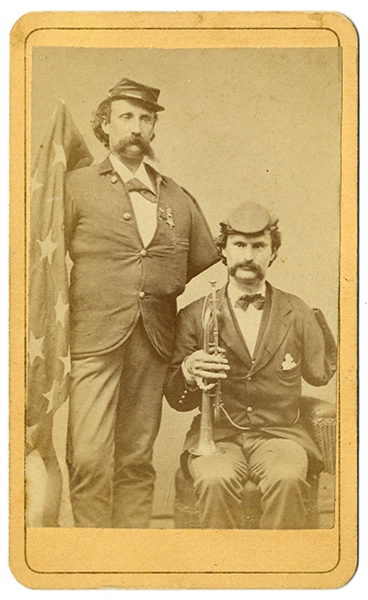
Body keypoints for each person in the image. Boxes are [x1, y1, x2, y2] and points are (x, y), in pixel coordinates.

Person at [64, 78, 219, 528]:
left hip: (153, 338)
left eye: (145, 118)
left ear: (153, 129)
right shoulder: (74, 187)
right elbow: (42, 259)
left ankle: (130, 561)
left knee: (135, 458)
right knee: (90, 458)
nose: (136, 127)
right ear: (106, 125)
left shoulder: (176, 196)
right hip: (93, 337)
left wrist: (150, 288)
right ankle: (92, 565)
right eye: (126, 117)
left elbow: (194, 263)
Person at [164, 202, 337, 529]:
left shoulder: (296, 310)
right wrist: (188, 370)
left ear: (273, 253)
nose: (247, 256)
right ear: (223, 250)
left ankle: (277, 572)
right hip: (219, 437)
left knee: (287, 478)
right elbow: (177, 400)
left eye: (259, 246)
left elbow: (320, 374)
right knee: (213, 481)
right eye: (239, 245)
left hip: (280, 436)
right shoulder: (193, 315)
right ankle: (224, 570)